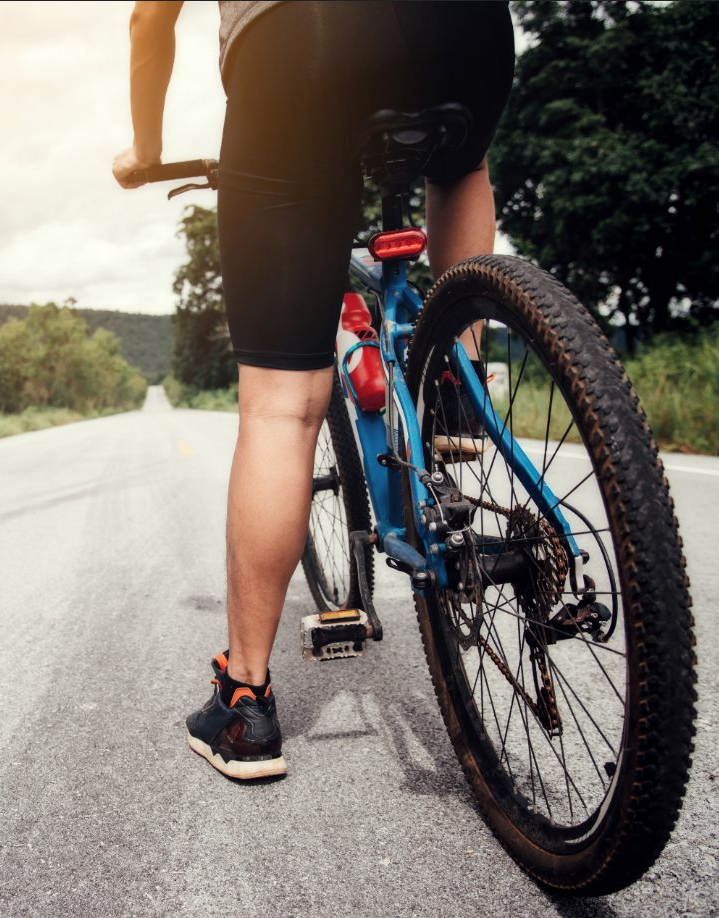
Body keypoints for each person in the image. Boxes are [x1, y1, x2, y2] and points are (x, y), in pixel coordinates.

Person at [112, 1, 514, 779]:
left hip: (304, 40)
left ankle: (244, 704)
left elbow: (150, 18)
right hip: (466, 29)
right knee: (461, 164)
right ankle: (455, 385)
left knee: (282, 407)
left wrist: (145, 150)